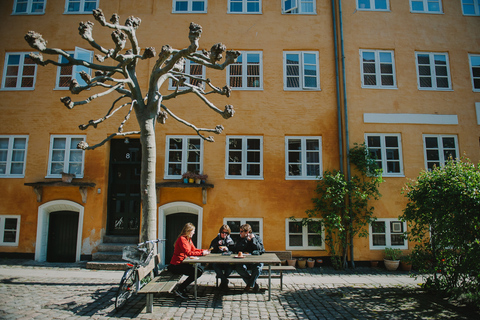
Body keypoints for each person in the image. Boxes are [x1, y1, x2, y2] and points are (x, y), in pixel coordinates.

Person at [168, 222, 210, 299]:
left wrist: (204, 250)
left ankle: (183, 287)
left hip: (182, 263)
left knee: (199, 270)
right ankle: (180, 289)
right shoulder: (182, 239)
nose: (194, 233)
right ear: (189, 231)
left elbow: (194, 249)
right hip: (176, 265)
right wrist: (202, 254)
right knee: (197, 272)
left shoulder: (188, 239)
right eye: (193, 231)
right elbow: (188, 252)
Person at [233, 223, 265, 293]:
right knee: (239, 268)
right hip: (244, 261)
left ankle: (249, 285)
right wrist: (245, 240)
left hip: (255, 261)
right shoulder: (240, 239)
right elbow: (236, 249)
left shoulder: (257, 238)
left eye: (241, 231)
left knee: (258, 268)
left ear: (247, 232)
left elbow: (261, 249)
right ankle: (253, 284)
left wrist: (253, 240)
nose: (240, 233)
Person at [209, 224, 235, 290]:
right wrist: (217, 245)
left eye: (226, 233)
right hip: (217, 261)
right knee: (215, 266)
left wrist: (227, 249)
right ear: (220, 232)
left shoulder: (230, 241)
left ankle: (223, 282)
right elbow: (211, 250)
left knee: (230, 268)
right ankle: (224, 281)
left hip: (227, 261)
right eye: (222, 232)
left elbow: (234, 251)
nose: (224, 234)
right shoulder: (216, 240)